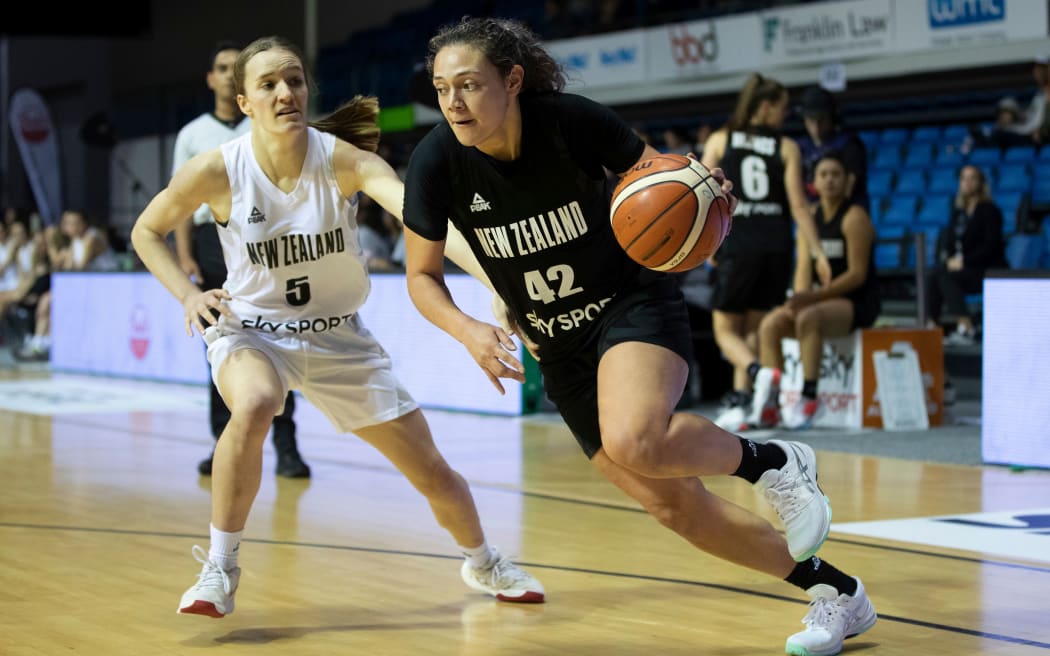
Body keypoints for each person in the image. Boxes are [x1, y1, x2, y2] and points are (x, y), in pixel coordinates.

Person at [402, 17, 875, 656]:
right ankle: (839, 595)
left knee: (635, 436)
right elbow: (422, 277)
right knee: (676, 508)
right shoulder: (436, 162)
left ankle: (775, 463)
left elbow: (664, 178)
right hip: (557, 344)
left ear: (511, 80)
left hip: (630, 304)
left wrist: (706, 194)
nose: (453, 102)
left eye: (468, 84)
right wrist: (468, 330)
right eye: (441, 88)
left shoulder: (572, 122)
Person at [129, 35, 544, 619]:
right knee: (255, 402)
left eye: (294, 80)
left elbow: (427, 223)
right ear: (244, 103)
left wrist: (496, 286)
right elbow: (146, 231)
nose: (285, 92)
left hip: (338, 338)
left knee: (432, 472)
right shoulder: (217, 170)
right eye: (268, 84)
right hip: (251, 331)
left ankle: (483, 560)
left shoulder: (343, 160)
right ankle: (219, 568)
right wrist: (188, 293)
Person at [171, 40, 308, 478]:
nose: (229, 73)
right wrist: (185, 256)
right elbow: (176, 203)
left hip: (268, 240)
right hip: (211, 242)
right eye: (221, 66)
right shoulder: (192, 134)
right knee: (223, 346)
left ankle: (287, 448)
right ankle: (223, 444)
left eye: (237, 67)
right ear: (211, 79)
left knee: (284, 340)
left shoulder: (268, 125)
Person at [700, 74, 832, 432]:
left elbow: (701, 192)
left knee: (725, 331)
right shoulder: (787, 146)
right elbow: (800, 206)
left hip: (737, 241)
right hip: (776, 245)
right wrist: (818, 252)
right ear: (765, 107)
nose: (787, 114)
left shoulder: (721, 139)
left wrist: (704, 241)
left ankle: (760, 375)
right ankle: (747, 404)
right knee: (755, 328)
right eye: (783, 107)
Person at [751, 152, 881, 429]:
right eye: (824, 174)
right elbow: (803, 269)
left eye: (836, 174)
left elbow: (858, 275)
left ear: (849, 181)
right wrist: (798, 299)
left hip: (856, 301)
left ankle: (809, 398)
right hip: (816, 301)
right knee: (771, 324)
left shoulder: (855, 217)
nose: (830, 180)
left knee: (809, 317)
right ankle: (771, 403)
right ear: (814, 183)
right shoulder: (809, 218)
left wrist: (811, 299)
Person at [926, 165, 1007, 346]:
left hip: (985, 269)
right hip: (964, 269)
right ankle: (932, 326)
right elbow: (949, 242)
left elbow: (991, 247)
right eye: (964, 178)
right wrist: (949, 259)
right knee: (935, 273)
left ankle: (966, 327)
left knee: (947, 276)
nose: (968, 182)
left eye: (972, 178)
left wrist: (964, 261)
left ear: (981, 183)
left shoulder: (990, 211)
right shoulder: (958, 213)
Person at [795, 86, 868, 212]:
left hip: (843, 217)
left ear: (832, 117)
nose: (816, 126)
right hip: (810, 216)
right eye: (811, 119)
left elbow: (849, 187)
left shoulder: (848, 144)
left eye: (821, 119)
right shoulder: (799, 147)